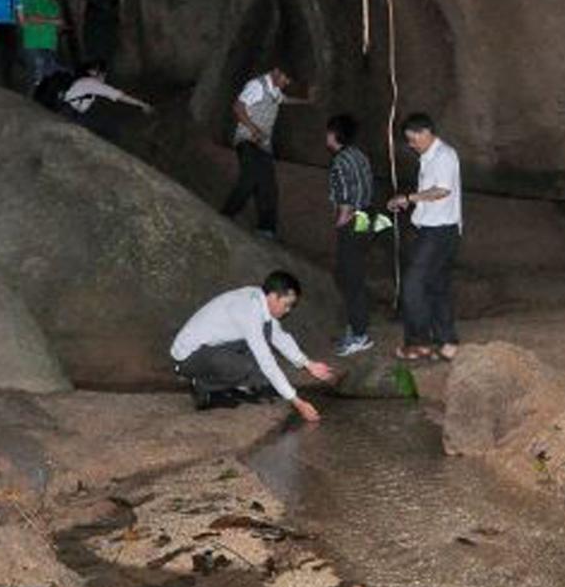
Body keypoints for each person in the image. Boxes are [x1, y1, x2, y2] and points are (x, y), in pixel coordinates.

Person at [169, 271, 336, 420]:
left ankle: (228, 384)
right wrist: (297, 402)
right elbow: (266, 360)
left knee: (261, 354)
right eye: (286, 304)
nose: (288, 310)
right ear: (273, 297)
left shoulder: (259, 298)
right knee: (246, 367)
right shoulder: (249, 309)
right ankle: (202, 385)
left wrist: (308, 364)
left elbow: (279, 337)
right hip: (188, 358)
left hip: (210, 349)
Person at [386, 113, 462, 361]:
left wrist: (409, 198)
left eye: (413, 139)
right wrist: (409, 202)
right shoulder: (429, 157)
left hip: (439, 231)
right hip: (434, 229)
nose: (411, 145)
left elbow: (442, 190)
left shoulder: (443, 156)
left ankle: (419, 342)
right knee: (437, 286)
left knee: (412, 285)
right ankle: (447, 342)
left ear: (425, 133)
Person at [219, 67, 310, 237]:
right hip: (247, 140)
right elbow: (238, 107)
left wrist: (306, 101)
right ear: (276, 72)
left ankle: (266, 228)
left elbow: (285, 100)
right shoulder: (257, 85)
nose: (286, 83)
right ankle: (226, 214)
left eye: (288, 81)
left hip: (264, 146)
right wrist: (254, 129)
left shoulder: (275, 91)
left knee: (269, 186)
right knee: (250, 176)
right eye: (285, 79)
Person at [325, 114, 378, 356]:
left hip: (353, 219)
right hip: (367, 217)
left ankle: (359, 335)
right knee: (353, 273)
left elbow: (345, 195)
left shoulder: (340, 161)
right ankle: (355, 327)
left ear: (334, 135)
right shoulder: (359, 155)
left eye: (328, 132)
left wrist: (342, 219)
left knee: (351, 277)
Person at [58, 60, 153, 139]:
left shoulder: (82, 79)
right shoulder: (92, 83)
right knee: (110, 126)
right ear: (93, 72)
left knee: (98, 117)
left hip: (66, 109)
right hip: (70, 114)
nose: (104, 77)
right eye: (103, 74)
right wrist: (143, 104)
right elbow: (120, 96)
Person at [18, 0, 68, 96]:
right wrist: (53, 21)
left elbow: (55, 26)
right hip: (32, 43)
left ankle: (41, 102)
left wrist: (61, 27)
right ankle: (28, 101)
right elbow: (27, 18)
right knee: (36, 75)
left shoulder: (55, 5)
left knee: (49, 77)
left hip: (50, 46)